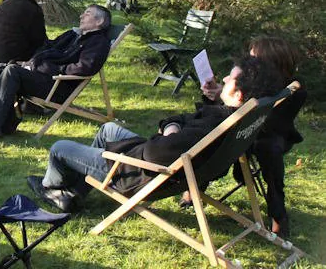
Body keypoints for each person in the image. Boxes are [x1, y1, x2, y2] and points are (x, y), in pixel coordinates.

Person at [26, 56, 285, 213]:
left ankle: (53, 188)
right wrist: (173, 125)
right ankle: (76, 191)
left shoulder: (211, 126)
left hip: (134, 172)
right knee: (107, 129)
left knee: (59, 148)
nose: (225, 78)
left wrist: (169, 132)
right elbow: (181, 122)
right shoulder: (235, 120)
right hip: (151, 161)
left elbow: (155, 151)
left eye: (230, 79)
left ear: (239, 95)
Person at [0, 5, 112, 143]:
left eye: (87, 13)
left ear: (99, 21)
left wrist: (49, 68)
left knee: (11, 72)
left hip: (57, 86)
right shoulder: (73, 35)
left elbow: (85, 67)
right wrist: (30, 62)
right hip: (42, 77)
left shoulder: (98, 42)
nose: (81, 16)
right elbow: (48, 46)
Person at [199, 35, 305, 237]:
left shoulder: (295, 89)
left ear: (270, 62)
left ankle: (278, 213)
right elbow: (240, 105)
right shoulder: (255, 78)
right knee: (218, 134)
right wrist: (220, 94)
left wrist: (233, 102)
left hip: (273, 132)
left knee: (269, 148)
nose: (249, 60)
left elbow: (271, 121)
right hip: (242, 127)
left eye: (254, 57)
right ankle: (196, 184)